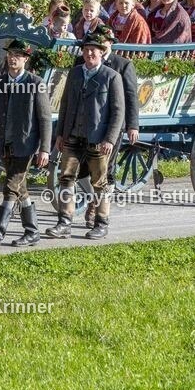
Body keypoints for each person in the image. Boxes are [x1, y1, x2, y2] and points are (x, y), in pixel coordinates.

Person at [46, 29, 125, 240]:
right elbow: (65, 105)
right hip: (72, 136)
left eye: (94, 51)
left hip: (98, 139)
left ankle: (101, 223)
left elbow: (118, 111)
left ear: (101, 53)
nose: (90, 54)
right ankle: (64, 222)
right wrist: (61, 134)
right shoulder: (75, 73)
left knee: (100, 182)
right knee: (66, 178)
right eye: (87, 50)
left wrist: (109, 139)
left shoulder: (112, 77)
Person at [0, 39, 52, 250]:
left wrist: (44, 148)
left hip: (26, 146)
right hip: (4, 145)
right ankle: (32, 231)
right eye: (10, 54)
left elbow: (45, 119)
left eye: (17, 55)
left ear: (25, 59)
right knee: (20, 189)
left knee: (10, 188)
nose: (12, 58)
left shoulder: (36, 83)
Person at [74, 24, 140, 229]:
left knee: (104, 170)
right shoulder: (81, 62)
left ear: (109, 44)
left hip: (112, 126)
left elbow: (130, 97)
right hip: (86, 125)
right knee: (81, 170)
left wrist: (132, 125)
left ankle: (98, 210)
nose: (97, 47)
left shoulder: (122, 65)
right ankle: (92, 197)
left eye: (102, 42)